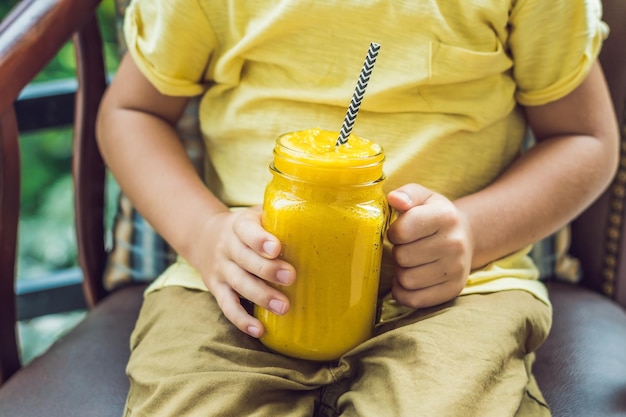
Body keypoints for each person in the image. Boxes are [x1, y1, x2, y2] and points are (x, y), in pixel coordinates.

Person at [96, 1, 618, 416]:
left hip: (457, 296)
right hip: (241, 289)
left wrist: (474, 232)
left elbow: (585, 137)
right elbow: (131, 112)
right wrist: (203, 233)